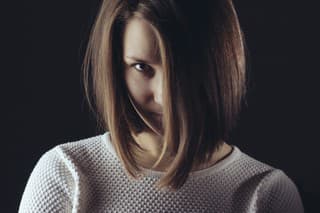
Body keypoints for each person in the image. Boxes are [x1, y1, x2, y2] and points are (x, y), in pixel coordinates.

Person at [19, 0, 304, 212]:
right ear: (115, 66)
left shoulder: (266, 193)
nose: (165, 95)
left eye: (183, 68)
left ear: (220, 64)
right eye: (142, 67)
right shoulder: (66, 173)